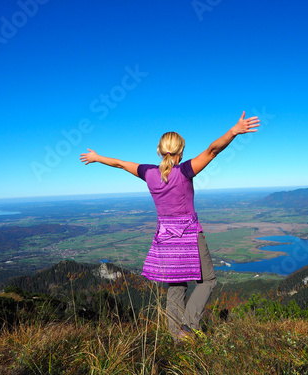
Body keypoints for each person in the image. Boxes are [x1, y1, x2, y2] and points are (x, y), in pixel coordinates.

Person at [79, 111, 260, 341]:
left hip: (165, 239)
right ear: (180, 151)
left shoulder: (149, 173)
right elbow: (212, 151)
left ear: (159, 150)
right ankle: (187, 326)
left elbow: (121, 164)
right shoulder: (184, 172)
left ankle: (177, 338)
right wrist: (234, 131)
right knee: (208, 282)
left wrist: (97, 157)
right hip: (189, 235)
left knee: (177, 287)